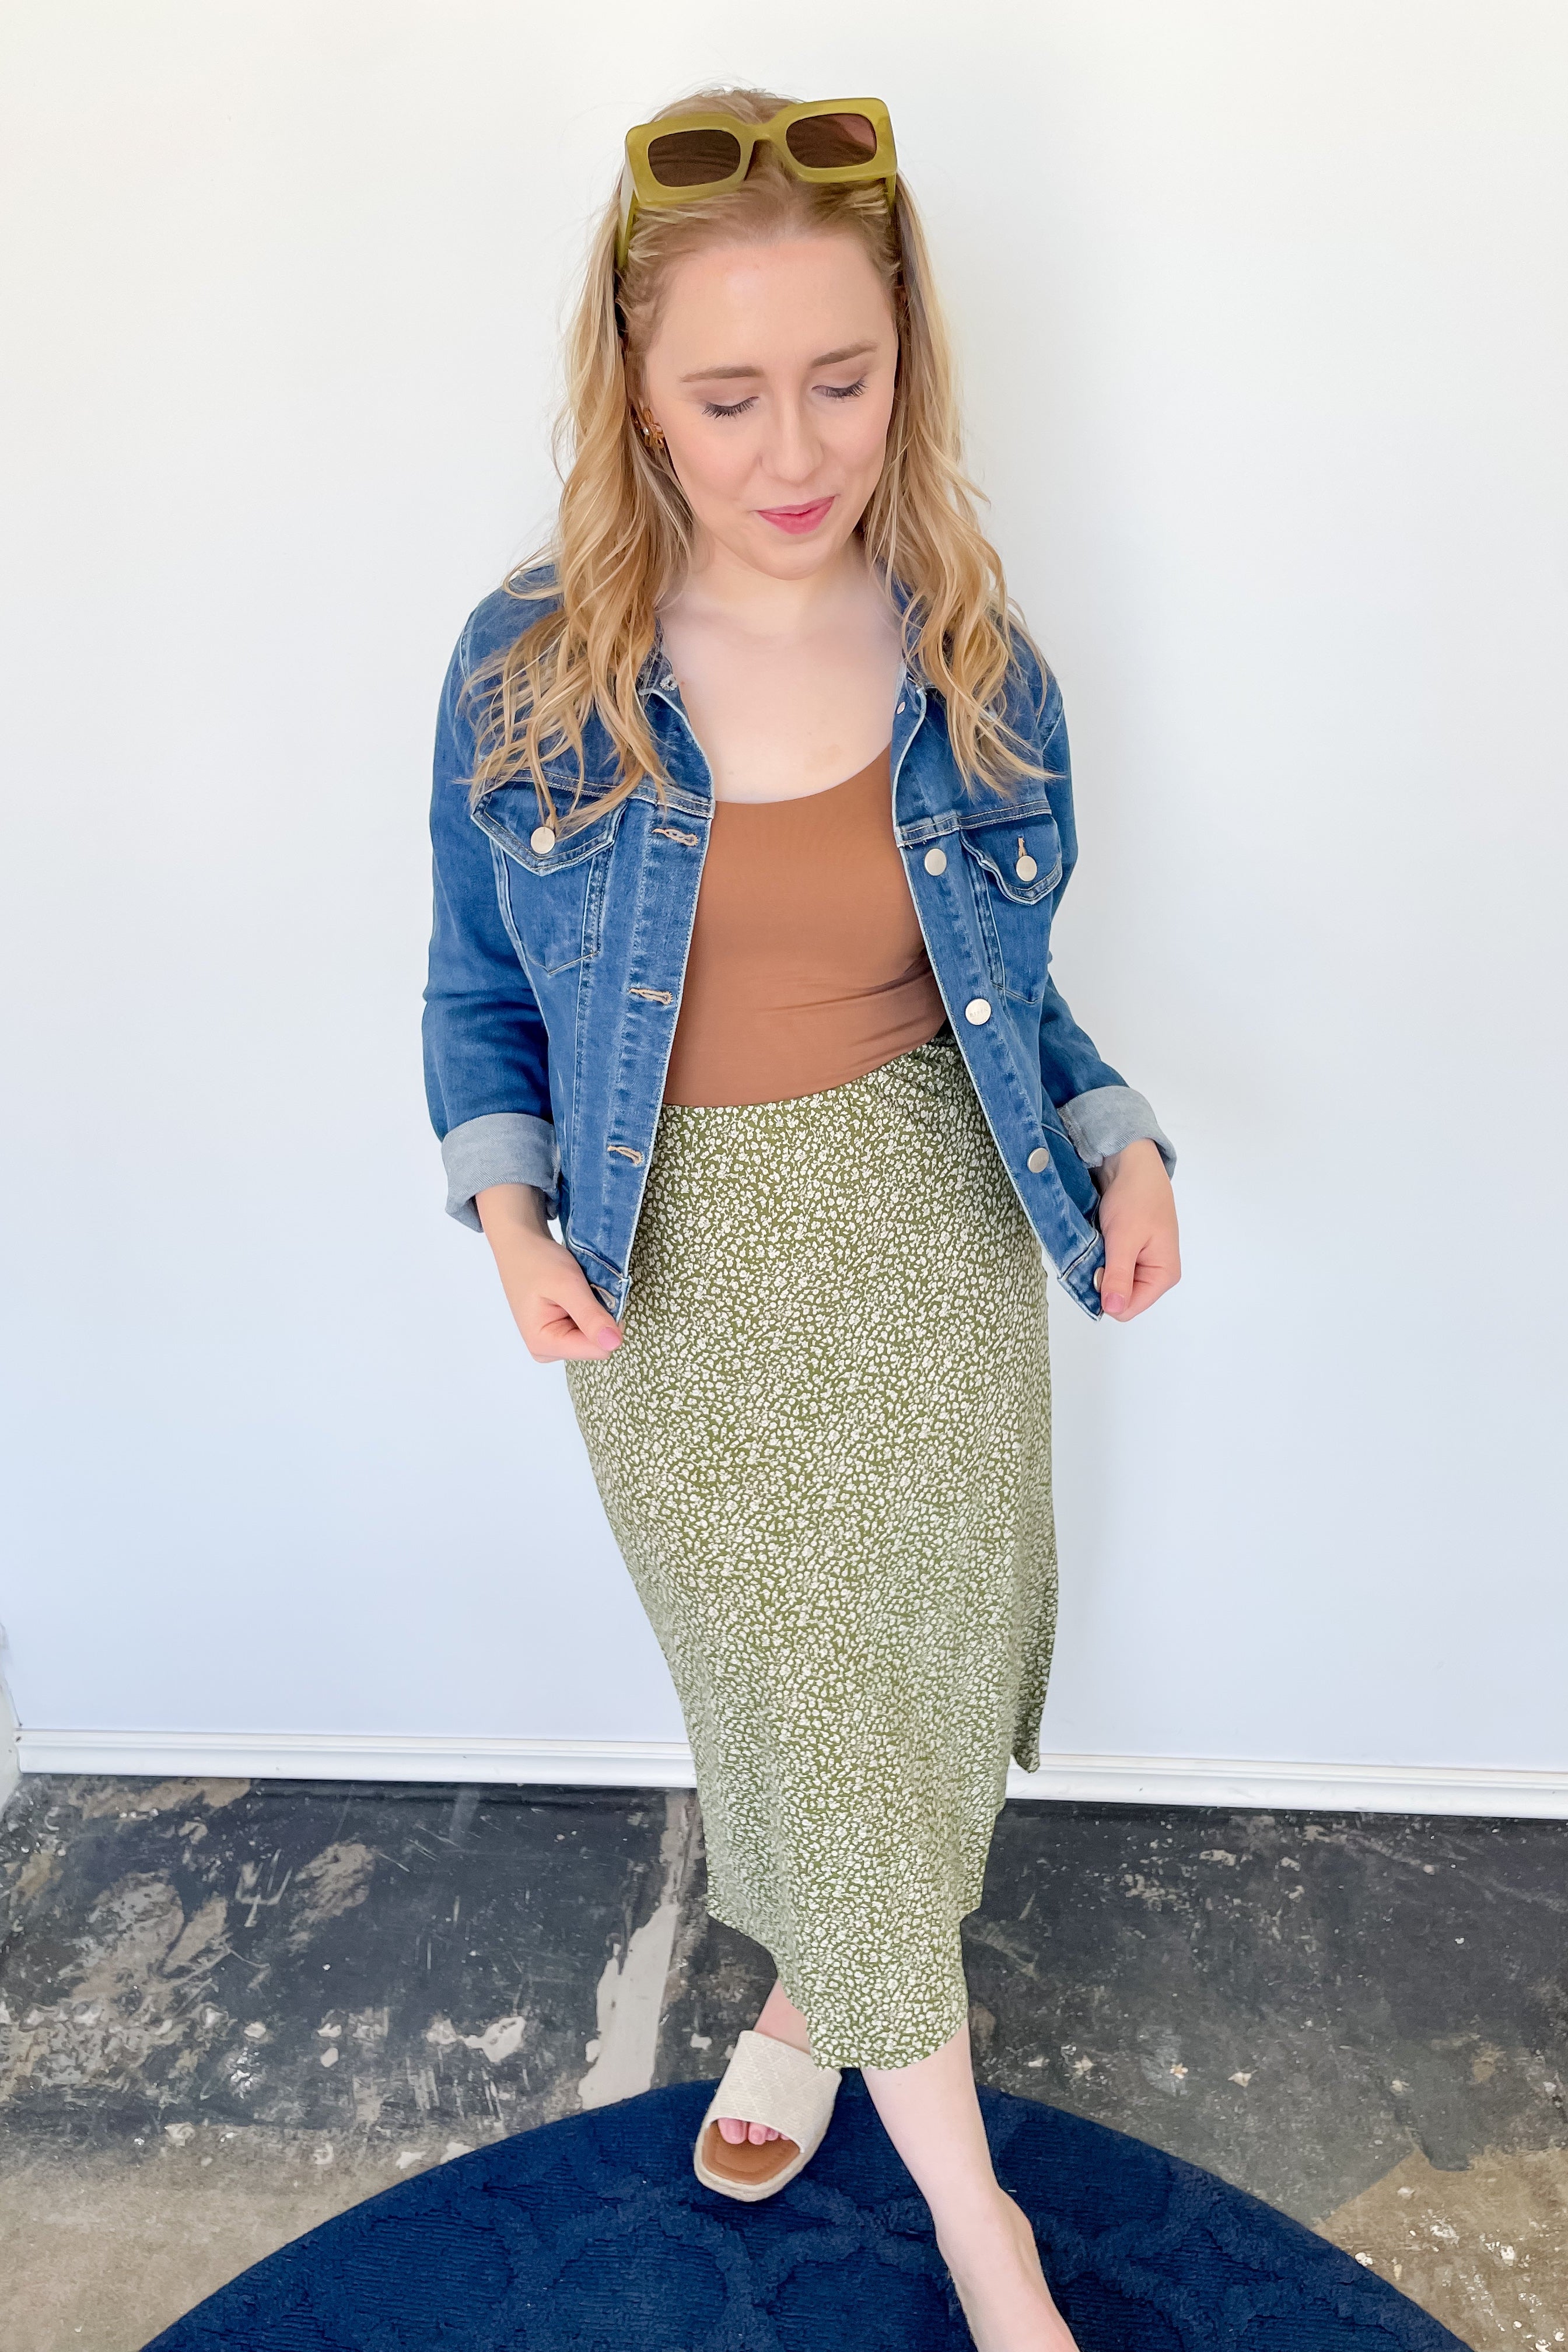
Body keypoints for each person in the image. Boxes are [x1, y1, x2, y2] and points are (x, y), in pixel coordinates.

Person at [422, 86, 1180, 2351]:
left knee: (904, 1702)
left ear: (908, 361)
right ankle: (982, 2230)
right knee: (799, 1706)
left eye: (841, 380)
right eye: (727, 392)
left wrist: (1123, 1133)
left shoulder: (972, 652)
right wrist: (507, 1215)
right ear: (633, 388)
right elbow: (477, 993)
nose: (792, 444)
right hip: (689, 1286)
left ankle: (806, 2004)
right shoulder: (531, 668)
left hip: (937, 1244)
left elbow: (1014, 998)